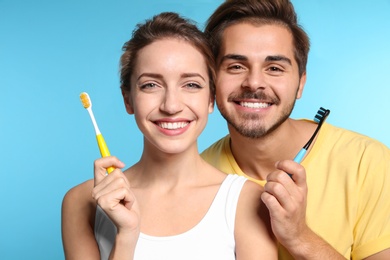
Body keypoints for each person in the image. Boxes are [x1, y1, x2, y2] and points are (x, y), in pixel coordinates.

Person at [61, 12, 277, 259]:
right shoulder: (81, 202)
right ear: (128, 99)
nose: (171, 105)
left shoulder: (249, 201)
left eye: (191, 85)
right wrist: (126, 236)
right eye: (151, 85)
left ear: (210, 99)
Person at [200, 0, 390, 259]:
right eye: (236, 66)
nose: (254, 82)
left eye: (275, 68)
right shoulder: (196, 177)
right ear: (212, 81)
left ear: (301, 83)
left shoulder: (368, 163)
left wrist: (299, 237)